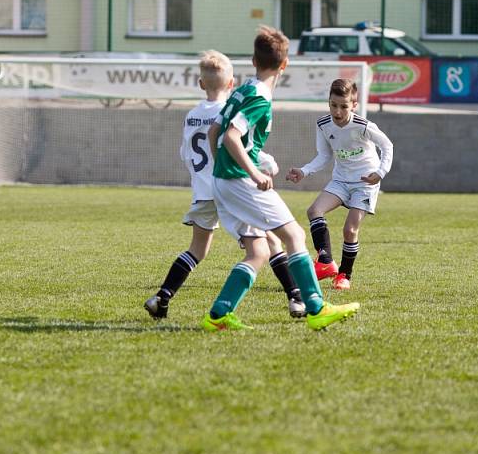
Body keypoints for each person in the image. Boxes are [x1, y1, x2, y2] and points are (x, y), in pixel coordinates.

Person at [202, 26, 360, 332]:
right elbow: (232, 138)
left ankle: (219, 314)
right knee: (295, 237)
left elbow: (214, 133)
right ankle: (316, 307)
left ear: (253, 60)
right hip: (239, 181)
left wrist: (226, 167)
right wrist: (253, 172)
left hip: (223, 180)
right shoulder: (259, 97)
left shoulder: (241, 91)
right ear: (284, 65)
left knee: (259, 252)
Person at [144, 49, 306, 321]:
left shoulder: (193, 115)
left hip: (203, 191)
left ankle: (162, 297)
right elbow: (238, 144)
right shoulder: (228, 110)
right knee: (270, 242)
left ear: (200, 83)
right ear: (232, 84)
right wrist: (266, 165)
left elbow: (185, 153)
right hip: (231, 185)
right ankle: (296, 298)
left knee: (197, 250)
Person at [286, 79, 393, 290]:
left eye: (343, 106)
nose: (338, 111)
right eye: (333, 105)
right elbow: (324, 156)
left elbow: (387, 145)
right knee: (314, 211)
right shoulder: (323, 124)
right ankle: (325, 261)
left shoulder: (363, 126)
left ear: (353, 105)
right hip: (341, 180)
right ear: (329, 102)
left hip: (364, 182)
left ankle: (344, 275)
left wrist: (380, 173)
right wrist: (304, 171)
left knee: (350, 230)